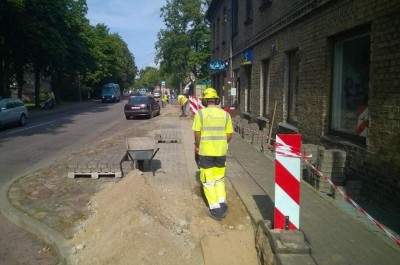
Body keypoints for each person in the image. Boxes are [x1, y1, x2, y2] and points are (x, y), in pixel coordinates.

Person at [192, 88, 233, 220]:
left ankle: (215, 209)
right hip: (221, 152)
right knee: (219, 178)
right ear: (216, 100)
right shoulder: (226, 115)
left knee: (208, 180)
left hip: (206, 151)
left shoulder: (201, 114)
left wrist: (198, 145)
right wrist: (220, 143)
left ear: (204, 100)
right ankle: (222, 203)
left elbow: (197, 132)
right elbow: (229, 134)